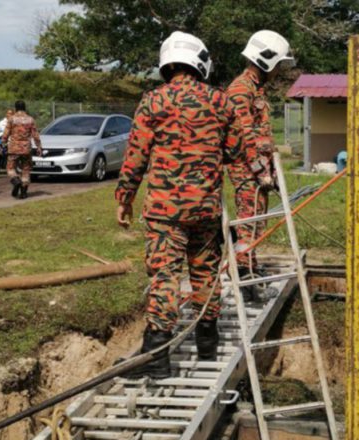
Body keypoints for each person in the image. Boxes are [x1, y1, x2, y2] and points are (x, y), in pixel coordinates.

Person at [115, 32, 242, 378]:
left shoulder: (153, 102)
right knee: (206, 273)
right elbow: (235, 152)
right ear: (200, 61)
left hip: (164, 212)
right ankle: (207, 346)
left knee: (165, 278)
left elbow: (135, 158)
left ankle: (156, 361)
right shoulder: (221, 102)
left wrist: (124, 198)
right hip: (206, 209)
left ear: (166, 63)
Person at [226, 30, 295, 301]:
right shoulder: (240, 89)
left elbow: (262, 135)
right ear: (266, 61)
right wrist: (260, 171)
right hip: (247, 170)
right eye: (278, 64)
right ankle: (244, 274)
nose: (279, 71)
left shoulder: (256, 89)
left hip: (259, 170)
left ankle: (250, 264)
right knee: (247, 221)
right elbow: (245, 136)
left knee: (256, 222)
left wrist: (271, 171)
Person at [1, 101, 41, 199]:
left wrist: (3, 143)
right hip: (26, 149)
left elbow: (6, 134)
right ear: (25, 108)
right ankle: (23, 193)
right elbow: (35, 135)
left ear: (15, 108)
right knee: (26, 170)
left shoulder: (11, 119)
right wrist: (39, 146)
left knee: (10, 168)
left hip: (13, 148)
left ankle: (16, 181)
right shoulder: (30, 120)